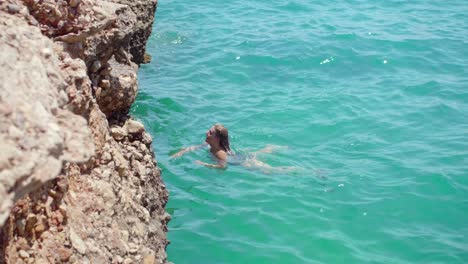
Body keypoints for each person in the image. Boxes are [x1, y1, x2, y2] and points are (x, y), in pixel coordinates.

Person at [171, 124, 294, 173]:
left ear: (217, 139)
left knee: (270, 171)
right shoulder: (208, 144)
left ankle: (298, 170)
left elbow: (223, 167)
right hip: (238, 156)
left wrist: (204, 164)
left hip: (243, 163)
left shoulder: (220, 153)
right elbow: (193, 148)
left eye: (210, 133)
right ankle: (269, 148)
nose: (206, 133)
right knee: (254, 154)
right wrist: (181, 152)